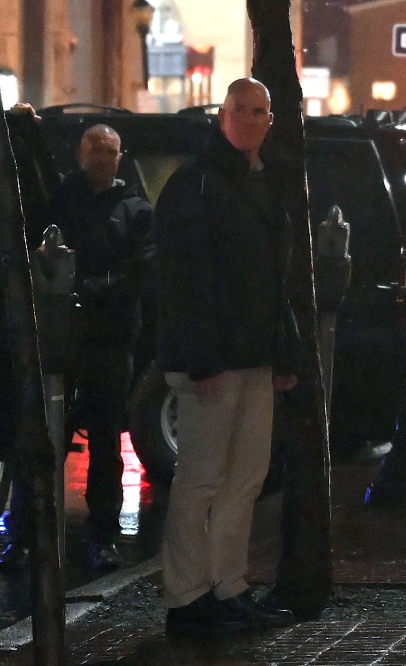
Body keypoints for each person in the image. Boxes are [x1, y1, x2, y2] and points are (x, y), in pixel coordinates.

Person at [154, 78, 297, 635]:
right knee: (204, 478)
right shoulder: (198, 186)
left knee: (244, 478)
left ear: (269, 120)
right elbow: (184, 279)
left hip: (252, 356)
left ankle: (226, 585)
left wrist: (280, 353)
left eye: (259, 111)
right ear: (222, 115)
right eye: (240, 109)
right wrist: (201, 358)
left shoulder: (255, 184)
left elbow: (271, 280)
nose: (250, 119)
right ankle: (187, 598)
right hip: (216, 360)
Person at [1, 122, 154, 571]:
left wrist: (91, 288)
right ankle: (26, 532)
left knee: (105, 444)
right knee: (45, 436)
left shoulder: (134, 210)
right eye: (95, 150)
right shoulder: (60, 200)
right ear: (79, 154)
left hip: (108, 341)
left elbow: (140, 271)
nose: (101, 159)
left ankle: (100, 536)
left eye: (109, 151)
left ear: (120, 158)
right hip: (61, 339)